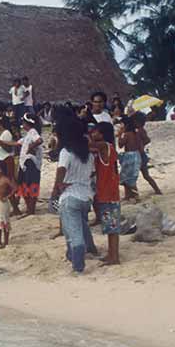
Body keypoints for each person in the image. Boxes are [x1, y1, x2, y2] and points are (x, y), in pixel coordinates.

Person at [51, 114, 97, 274]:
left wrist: (57, 187)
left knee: (73, 235)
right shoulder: (88, 153)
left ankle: (78, 266)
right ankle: (92, 249)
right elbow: (91, 173)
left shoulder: (66, 152)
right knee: (81, 224)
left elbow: (61, 170)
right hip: (86, 196)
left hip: (70, 196)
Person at [90, 121, 122, 265]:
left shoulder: (104, 146)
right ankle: (111, 254)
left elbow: (88, 146)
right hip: (108, 192)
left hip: (108, 193)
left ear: (102, 133)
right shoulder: (108, 147)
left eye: (95, 131)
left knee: (112, 227)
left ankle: (114, 256)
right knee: (110, 227)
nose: (92, 133)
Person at [0, 116, 21, 216]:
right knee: (6, 184)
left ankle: (15, 208)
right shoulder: (5, 133)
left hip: (6, 161)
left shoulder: (6, 133)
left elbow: (8, 148)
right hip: (3, 160)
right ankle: (14, 208)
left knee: (7, 184)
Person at [16, 113, 43, 217]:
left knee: (31, 185)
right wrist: (0, 141)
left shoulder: (33, 132)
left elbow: (39, 140)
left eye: (23, 122)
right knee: (24, 185)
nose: (22, 124)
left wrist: (31, 147)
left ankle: (31, 210)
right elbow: (17, 143)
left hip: (31, 162)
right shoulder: (28, 135)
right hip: (25, 163)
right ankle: (29, 209)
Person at [133, 114, 163, 196]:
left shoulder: (140, 130)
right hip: (141, 155)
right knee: (146, 175)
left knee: (138, 176)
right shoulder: (139, 130)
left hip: (140, 155)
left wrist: (140, 144)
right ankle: (157, 190)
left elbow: (147, 140)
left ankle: (135, 194)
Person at [0, 160, 16, 248]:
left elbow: (15, 188)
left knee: (4, 221)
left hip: (3, 203)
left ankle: (6, 241)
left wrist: (7, 196)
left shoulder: (6, 179)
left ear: (0, 170)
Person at [118, 115, 142, 201]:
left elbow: (120, 145)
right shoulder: (135, 133)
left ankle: (135, 196)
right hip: (136, 155)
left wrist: (120, 134)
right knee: (129, 177)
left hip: (130, 156)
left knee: (127, 177)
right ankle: (129, 195)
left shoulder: (127, 134)